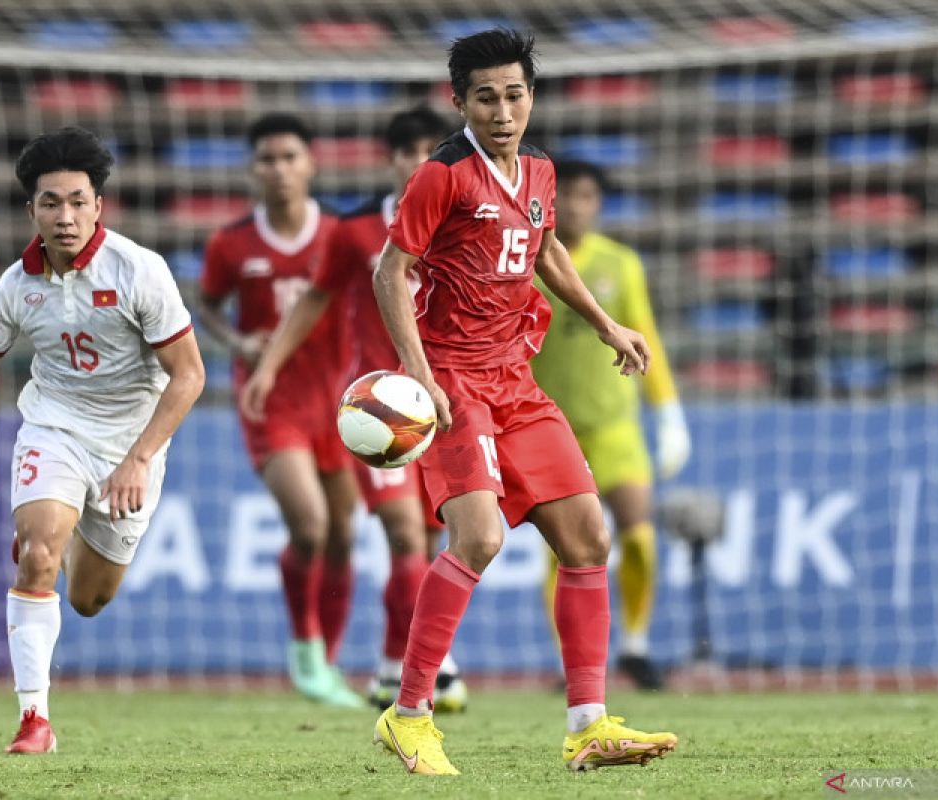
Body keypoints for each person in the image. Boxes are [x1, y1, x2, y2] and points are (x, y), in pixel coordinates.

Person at [368, 30, 678, 775]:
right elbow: (390, 272)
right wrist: (420, 374)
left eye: (514, 95)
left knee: (588, 539)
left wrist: (607, 323)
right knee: (477, 540)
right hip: (454, 383)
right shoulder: (441, 175)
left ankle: (588, 726)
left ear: (530, 96)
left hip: (516, 380)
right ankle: (408, 715)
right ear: (460, 102)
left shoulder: (540, 171)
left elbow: (544, 252)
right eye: (486, 97)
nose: (502, 111)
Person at [0, 126, 206, 754]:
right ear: (31, 210)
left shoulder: (139, 271)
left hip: (133, 441)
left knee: (90, 598)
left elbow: (190, 374)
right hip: (55, 426)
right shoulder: (14, 287)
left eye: (76, 201)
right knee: (37, 556)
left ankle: (57, 531)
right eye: (50, 203)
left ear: (99, 205)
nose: (64, 217)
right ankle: (34, 720)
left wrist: (138, 459)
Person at [241, 107, 468, 713]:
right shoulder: (358, 231)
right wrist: (267, 367)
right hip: (381, 405)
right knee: (401, 534)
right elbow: (314, 300)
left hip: (447, 402)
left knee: (431, 537)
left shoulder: (466, 225)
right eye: (407, 151)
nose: (419, 161)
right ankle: (412, 672)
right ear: (389, 160)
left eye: (431, 150)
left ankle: (399, 665)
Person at [199, 113, 361, 707]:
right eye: (268, 159)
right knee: (311, 525)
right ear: (253, 169)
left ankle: (329, 665)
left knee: (344, 534)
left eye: (290, 156)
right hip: (271, 402)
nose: (280, 168)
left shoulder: (341, 234)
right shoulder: (231, 243)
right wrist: (235, 341)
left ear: (311, 163)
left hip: (343, 404)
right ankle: (304, 649)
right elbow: (209, 304)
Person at [534, 160, 691, 691]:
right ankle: (567, 659)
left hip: (615, 429)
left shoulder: (620, 264)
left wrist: (668, 412)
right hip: (551, 428)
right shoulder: (528, 261)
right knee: (564, 548)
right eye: (567, 197)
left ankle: (637, 645)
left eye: (587, 196)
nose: (577, 207)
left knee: (639, 535)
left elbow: (645, 334)